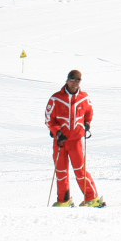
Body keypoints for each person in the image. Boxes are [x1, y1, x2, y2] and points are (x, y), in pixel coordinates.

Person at [45, 69, 104, 207]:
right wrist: (57, 132)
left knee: (80, 170)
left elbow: (89, 111)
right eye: (72, 80)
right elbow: (49, 119)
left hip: (76, 140)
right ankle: (63, 200)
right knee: (61, 171)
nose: (74, 83)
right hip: (61, 141)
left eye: (78, 80)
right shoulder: (56, 98)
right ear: (67, 80)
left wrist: (87, 123)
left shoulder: (84, 97)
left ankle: (92, 199)